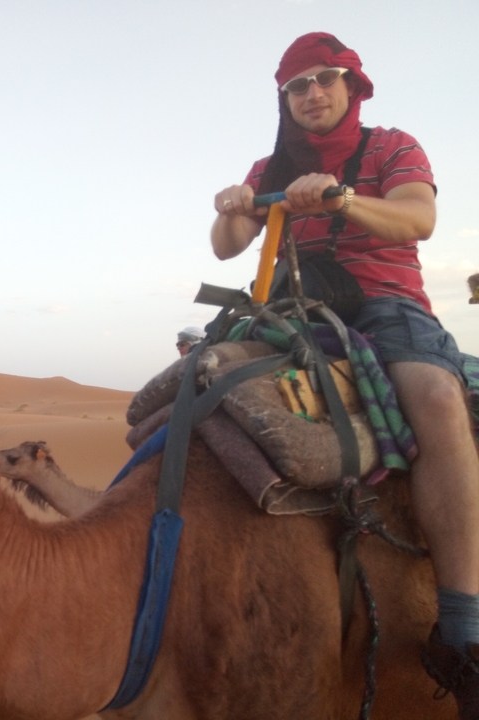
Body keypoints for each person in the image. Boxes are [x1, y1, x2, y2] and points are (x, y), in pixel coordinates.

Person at [210, 32, 479, 718]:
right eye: (297, 86)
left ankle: (464, 626)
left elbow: (418, 218)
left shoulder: (392, 147)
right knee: (191, 389)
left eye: (324, 80)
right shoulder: (271, 163)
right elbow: (225, 248)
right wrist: (234, 205)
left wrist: (342, 200)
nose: (312, 94)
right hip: (295, 311)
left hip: (385, 308)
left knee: (437, 397)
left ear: (352, 86)